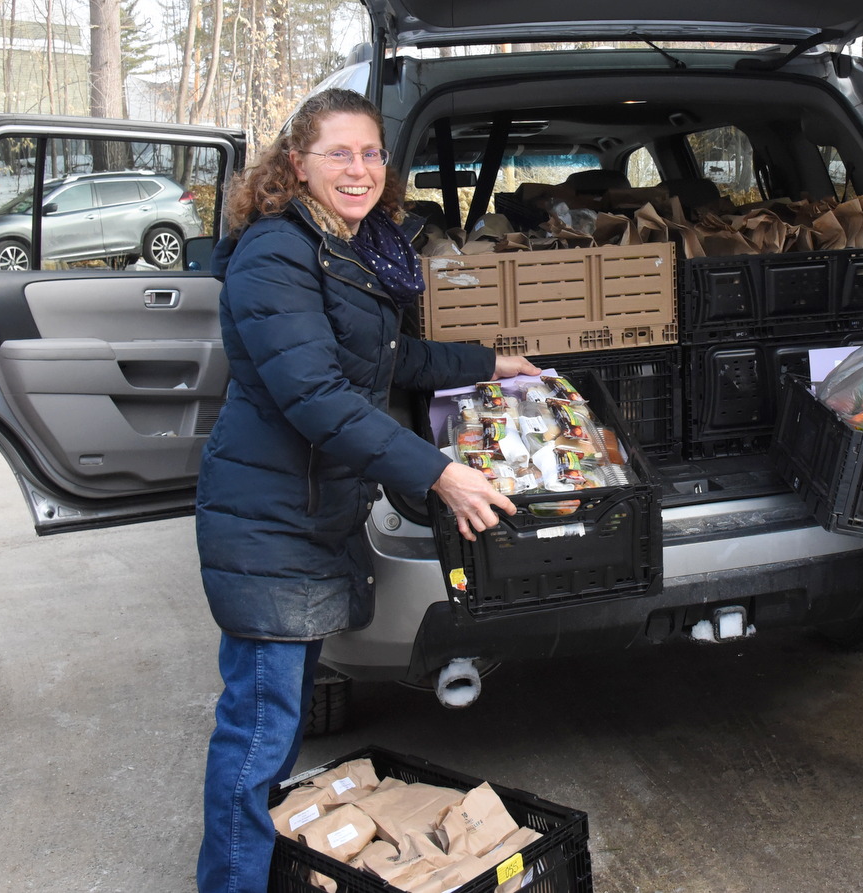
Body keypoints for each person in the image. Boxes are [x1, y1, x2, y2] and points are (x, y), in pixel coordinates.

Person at [193, 88, 539, 893]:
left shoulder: (344, 243)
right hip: (268, 524)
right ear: (295, 164)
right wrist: (440, 473)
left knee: (272, 732)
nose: (359, 169)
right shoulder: (275, 253)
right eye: (338, 153)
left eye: (371, 153)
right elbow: (316, 395)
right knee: (257, 736)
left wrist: (488, 362)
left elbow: (384, 365)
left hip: (309, 513)